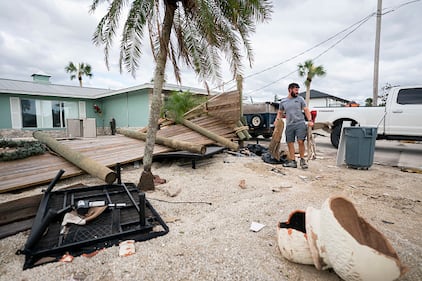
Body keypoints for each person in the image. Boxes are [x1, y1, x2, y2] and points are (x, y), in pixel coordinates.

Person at [275, 82, 313, 169]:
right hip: (289, 125)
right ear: (290, 90)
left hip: (300, 123)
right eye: (296, 90)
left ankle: (302, 160)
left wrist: (310, 120)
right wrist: (277, 120)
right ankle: (293, 161)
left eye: (298, 90)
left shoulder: (300, 99)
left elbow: (306, 109)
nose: (297, 92)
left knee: (300, 141)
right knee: (290, 143)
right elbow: (280, 112)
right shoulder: (283, 101)